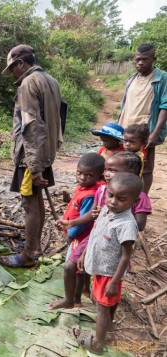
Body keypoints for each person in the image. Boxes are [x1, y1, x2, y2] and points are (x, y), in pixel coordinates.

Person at [0, 44, 63, 268]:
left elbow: (31, 126)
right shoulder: (51, 80)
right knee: (36, 199)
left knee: (29, 204)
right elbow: (59, 117)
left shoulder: (28, 84)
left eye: (13, 69)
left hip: (30, 156)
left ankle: (27, 256)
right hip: (45, 151)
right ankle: (34, 246)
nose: (13, 75)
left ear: (21, 64)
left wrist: (34, 165)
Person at [73, 172, 142, 354]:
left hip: (109, 274)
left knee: (102, 309)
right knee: (100, 303)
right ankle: (109, 335)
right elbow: (95, 235)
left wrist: (113, 281)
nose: (112, 201)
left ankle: (98, 344)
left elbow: (126, 256)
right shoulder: (106, 210)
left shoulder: (127, 224)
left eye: (121, 199)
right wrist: (85, 254)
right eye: (110, 195)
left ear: (133, 202)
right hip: (99, 268)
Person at [48, 153, 104, 310]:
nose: (82, 177)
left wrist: (70, 235)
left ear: (99, 175)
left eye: (88, 175)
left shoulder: (92, 195)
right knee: (81, 268)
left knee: (75, 269)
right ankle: (82, 291)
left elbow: (85, 221)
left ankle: (74, 299)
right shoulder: (84, 188)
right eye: (79, 173)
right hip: (77, 234)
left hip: (81, 236)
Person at [118, 43, 167, 194]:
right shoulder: (131, 79)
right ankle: (126, 198)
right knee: (124, 165)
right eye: (137, 59)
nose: (140, 62)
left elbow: (165, 107)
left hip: (145, 133)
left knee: (145, 168)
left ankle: (142, 200)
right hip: (126, 131)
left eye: (145, 59)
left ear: (154, 59)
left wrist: (155, 133)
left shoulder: (162, 78)